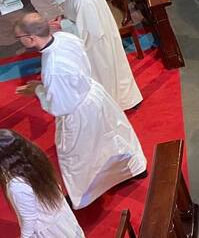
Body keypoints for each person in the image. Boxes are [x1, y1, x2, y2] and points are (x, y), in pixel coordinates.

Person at [14, 14, 147, 209]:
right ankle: (135, 168)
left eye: (19, 37)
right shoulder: (64, 37)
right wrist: (44, 87)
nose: (20, 40)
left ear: (30, 39)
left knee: (77, 156)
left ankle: (84, 195)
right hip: (95, 96)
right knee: (114, 135)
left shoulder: (53, 68)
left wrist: (38, 90)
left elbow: (59, 106)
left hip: (78, 113)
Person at [37, 0, 144, 111]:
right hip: (102, 33)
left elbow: (89, 32)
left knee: (105, 77)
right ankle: (128, 100)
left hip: (97, 45)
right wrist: (64, 16)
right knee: (116, 72)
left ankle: (115, 107)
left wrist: (63, 25)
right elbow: (77, 14)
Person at [0, 129, 83, 237]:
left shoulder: (16, 186)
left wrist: (25, 236)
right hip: (60, 215)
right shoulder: (34, 157)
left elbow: (29, 219)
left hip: (49, 230)